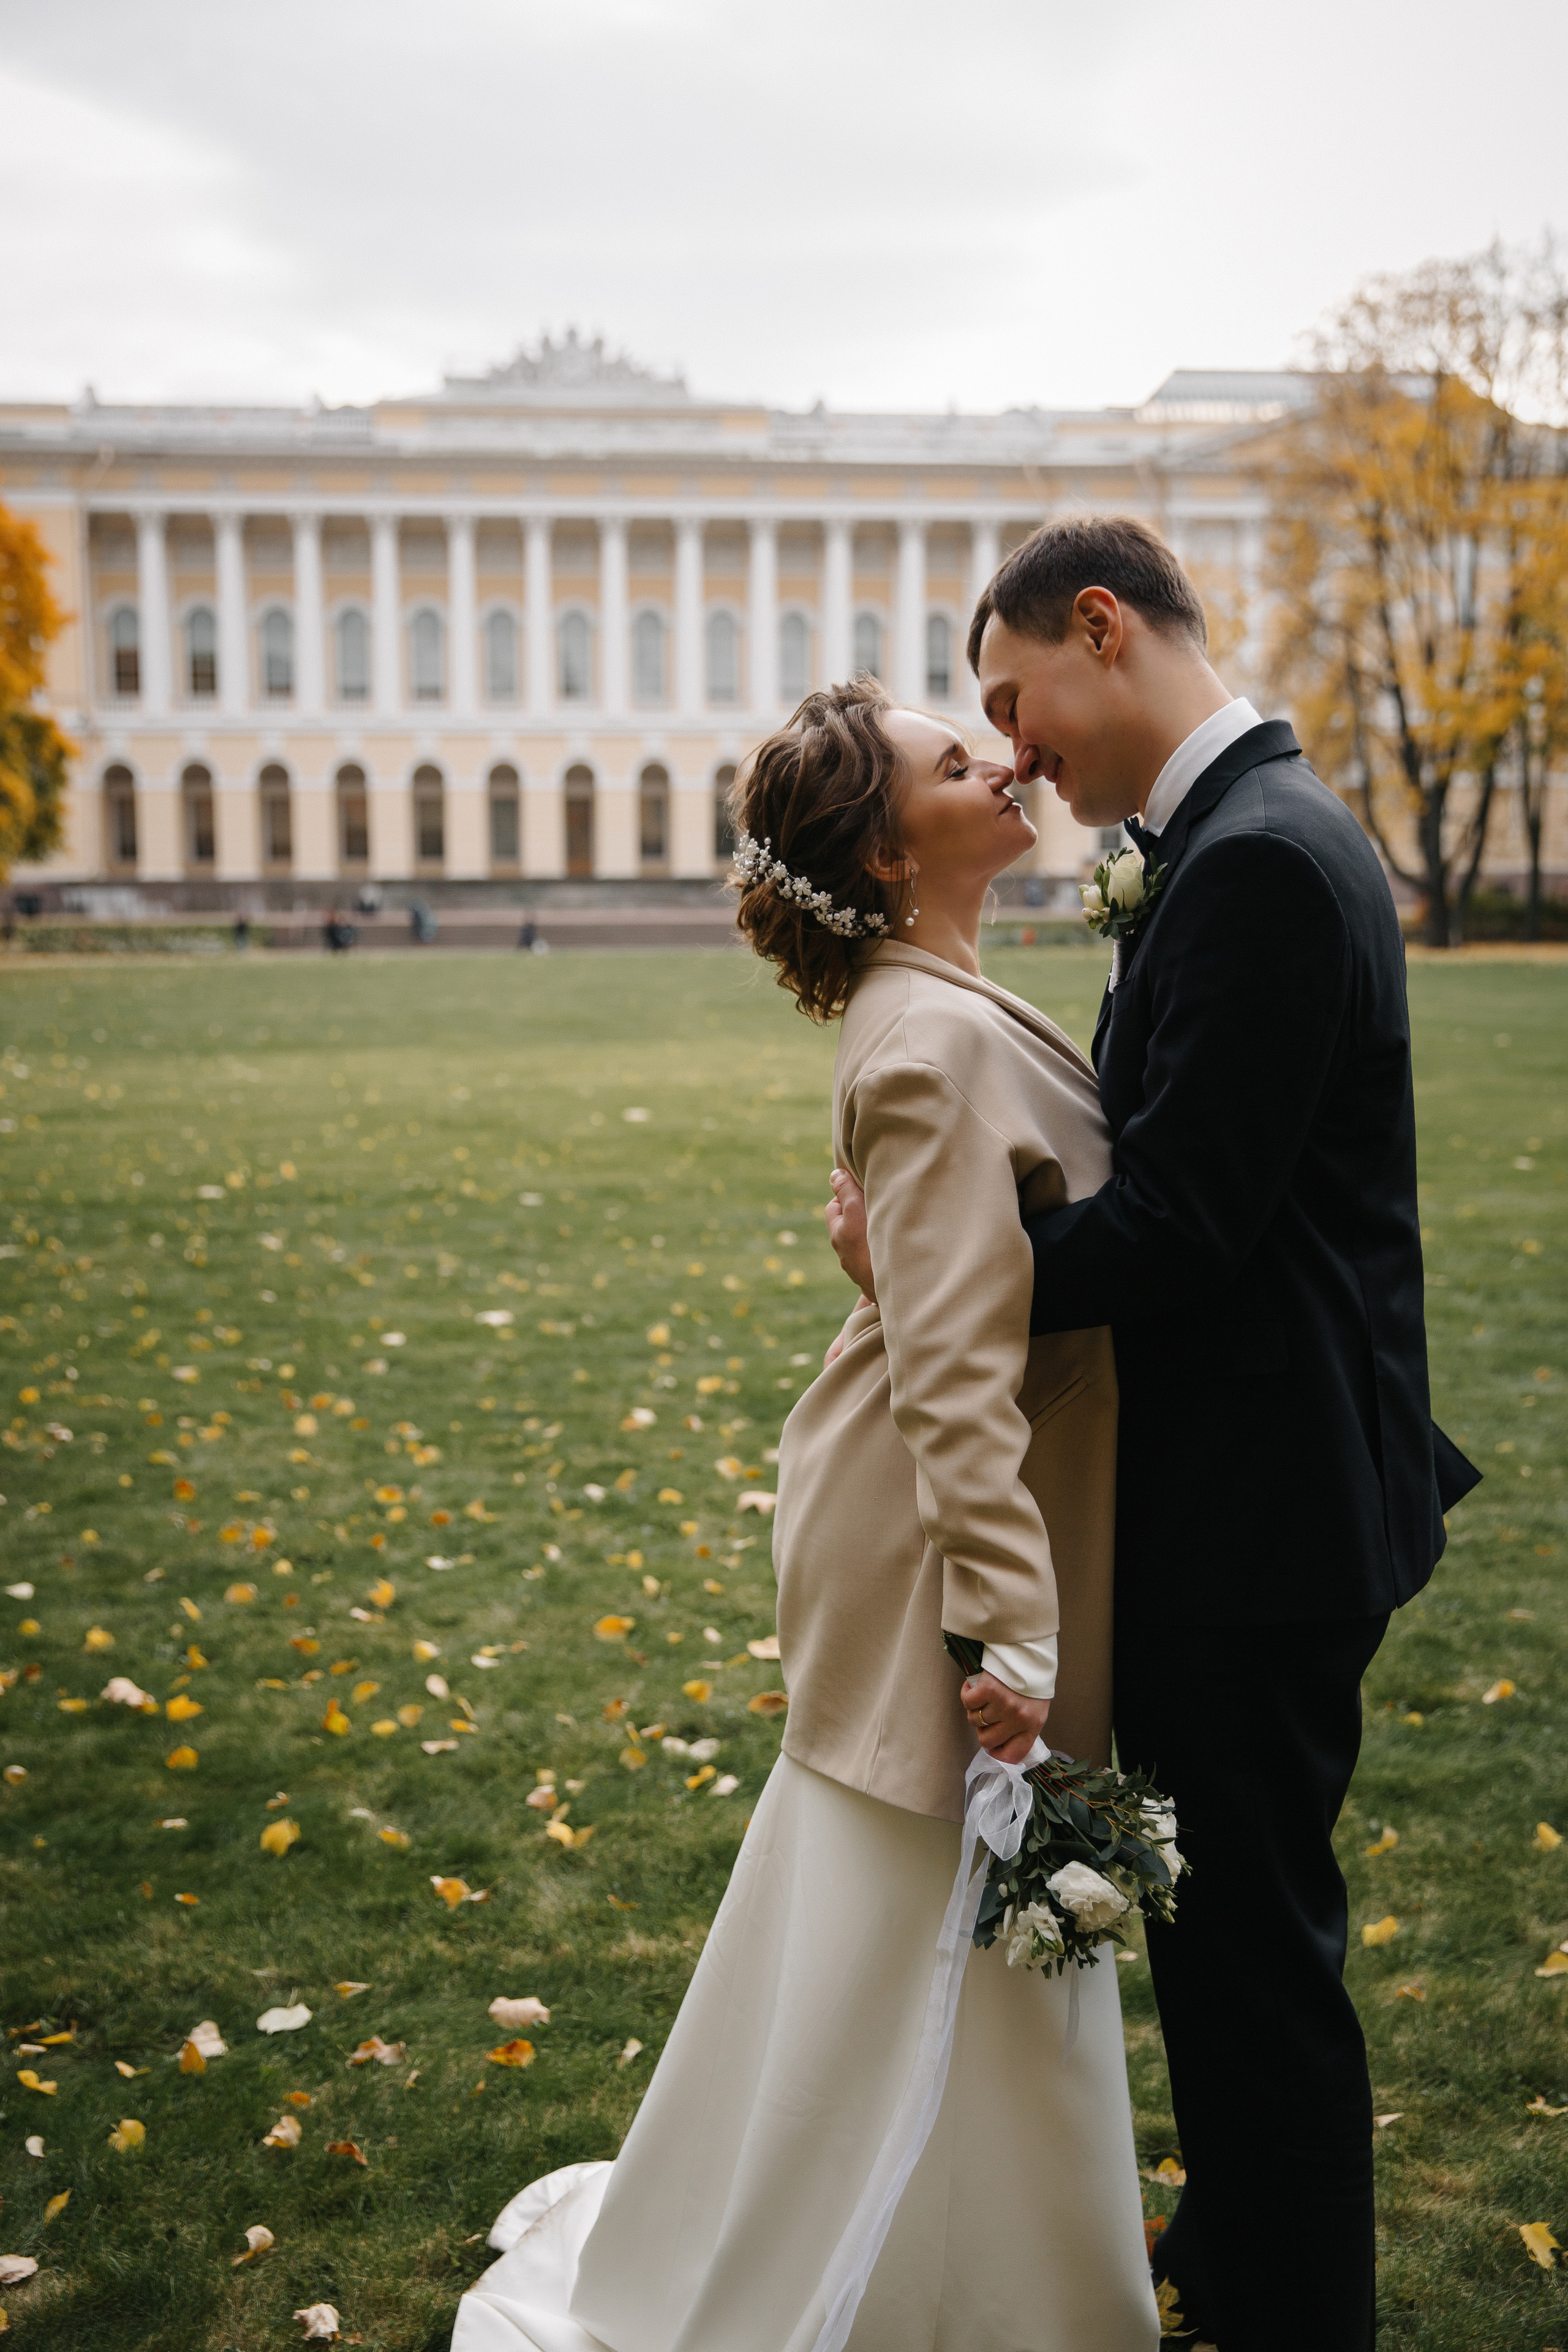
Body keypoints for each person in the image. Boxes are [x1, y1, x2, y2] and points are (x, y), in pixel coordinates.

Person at [824, 516, 1481, 2352]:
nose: (1014, 750)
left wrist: (937, 1264)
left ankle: (1293, 2312)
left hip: (1263, 1513)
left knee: (1259, 1959)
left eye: (1012, 701)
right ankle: (1239, 2256)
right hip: (1254, 1488)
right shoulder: (1226, 842)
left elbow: (1181, 1230)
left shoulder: (1262, 859)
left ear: (1100, 630)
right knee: (1228, 1944)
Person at [453, 680, 1159, 2352]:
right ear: (881, 846)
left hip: (956, 1522)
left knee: (935, 1926)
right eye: (949, 755)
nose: (1000, 757)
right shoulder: (920, 1041)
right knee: (916, 1921)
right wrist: (1014, 1628)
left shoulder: (950, 997)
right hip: (935, 1545)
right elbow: (951, 1376)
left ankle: (991, 2277)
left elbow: (956, 1293)